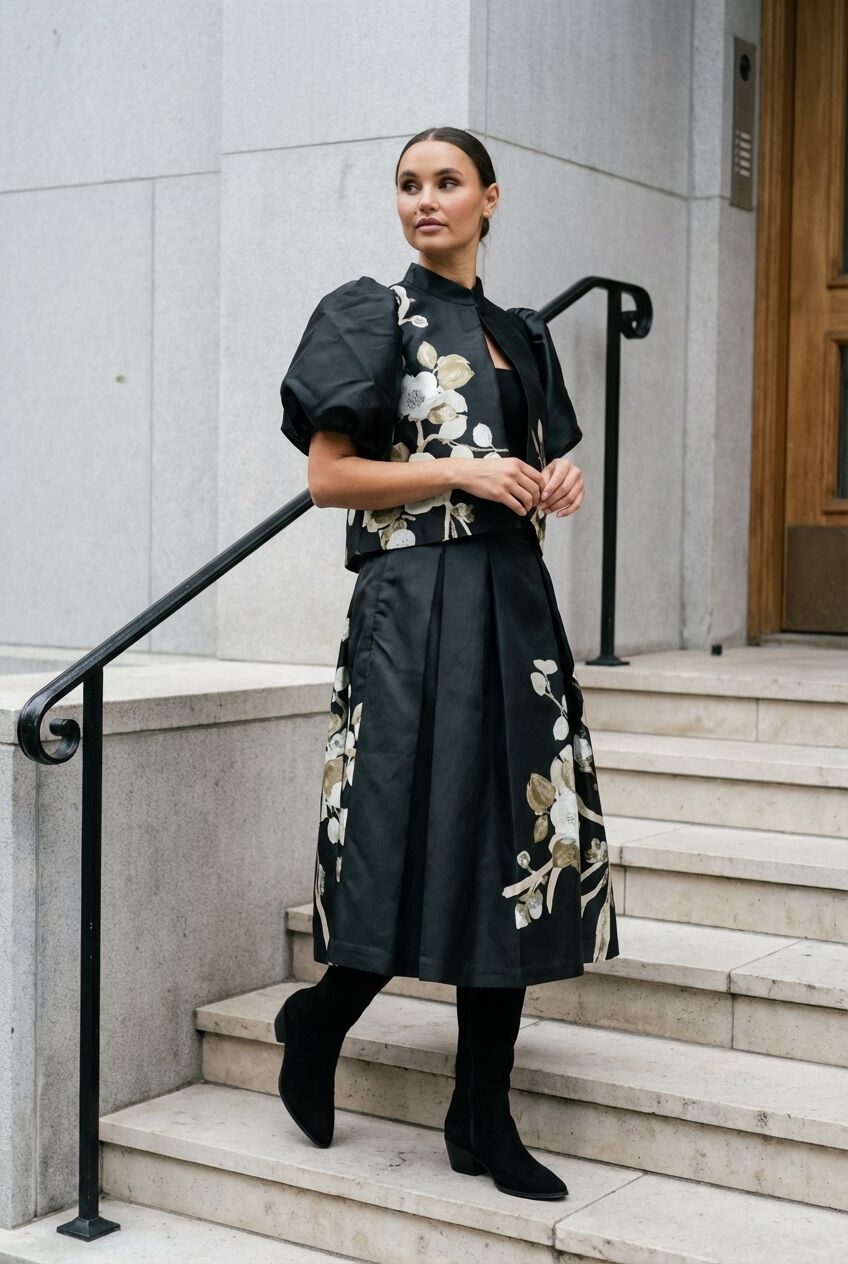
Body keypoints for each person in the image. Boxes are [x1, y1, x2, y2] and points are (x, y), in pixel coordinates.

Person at [276, 126, 620, 1203]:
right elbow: (329, 479)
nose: (425, 200)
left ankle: (482, 1114)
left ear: (489, 198)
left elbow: (532, 463)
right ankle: (319, 1018)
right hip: (412, 604)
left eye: (447, 182)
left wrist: (551, 484)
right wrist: (458, 473)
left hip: (512, 606)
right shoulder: (369, 312)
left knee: (509, 840)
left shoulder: (525, 335)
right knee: (396, 827)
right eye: (409, 184)